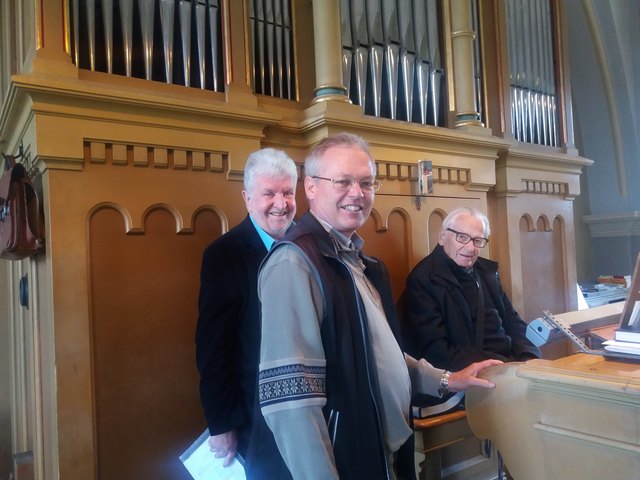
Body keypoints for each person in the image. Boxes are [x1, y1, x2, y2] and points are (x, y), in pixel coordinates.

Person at [256, 133, 501, 479]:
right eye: (343, 181)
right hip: (346, 457)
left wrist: (448, 379)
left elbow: (378, 357)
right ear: (310, 187)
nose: (357, 193)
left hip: (382, 449)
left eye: (366, 182)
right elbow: (291, 401)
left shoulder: (358, 260)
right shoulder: (295, 264)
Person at [195, 147, 297, 473]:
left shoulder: (306, 246)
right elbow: (213, 349)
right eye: (269, 193)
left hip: (306, 412)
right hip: (256, 417)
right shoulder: (224, 255)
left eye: (287, 192)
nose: (281, 204)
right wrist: (222, 424)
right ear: (247, 198)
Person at [401, 207, 541, 373]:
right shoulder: (424, 280)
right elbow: (436, 351)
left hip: (509, 365)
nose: (470, 248)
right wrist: (502, 366)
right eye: (462, 237)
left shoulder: (486, 272)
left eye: (477, 241)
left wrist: (528, 355)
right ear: (442, 237)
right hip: (471, 374)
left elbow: (512, 320)